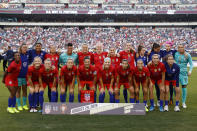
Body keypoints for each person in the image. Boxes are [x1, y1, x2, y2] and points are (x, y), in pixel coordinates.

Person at [174, 44, 193, 109]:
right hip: (176, 73)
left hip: (184, 73)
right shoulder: (176, 54)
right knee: (176, 87)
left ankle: (183, 102)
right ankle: (177, 100)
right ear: (178, 48)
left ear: (184, 48)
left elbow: (191, 64)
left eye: (182, 47)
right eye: (179, 47)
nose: (180, 48)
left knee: (184, 87)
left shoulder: (188, 55)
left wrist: (190, 71)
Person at [16, 44, 29, 111]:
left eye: (26, 47)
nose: (25, 48)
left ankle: (24, 104)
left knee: (25, 90)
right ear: (20, 48)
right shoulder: (18, 55)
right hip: (18, 77)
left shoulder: (27, 55)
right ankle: (19, 105)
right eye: (24, 47)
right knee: (18, 91)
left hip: (25, 76)